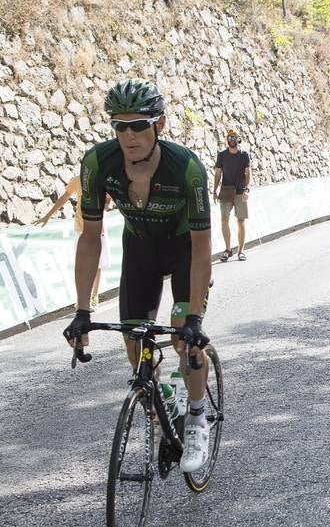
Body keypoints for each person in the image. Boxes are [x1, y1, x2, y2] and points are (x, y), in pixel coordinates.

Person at [63, 78, 215, 474]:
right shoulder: (98, 163)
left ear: (159, 125)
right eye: (119, 126)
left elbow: (201, 248)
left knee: (185, 338)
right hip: (141, 251)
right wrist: (83, 310)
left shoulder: (187, 168)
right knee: (135, 345)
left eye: (139, 125)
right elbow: (90, 239)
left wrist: (194, 319)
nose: (128, 135)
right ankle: (164, 397)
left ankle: (197, 418)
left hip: (184, 250)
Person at [38, 175, 109, 310]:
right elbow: (65, 197)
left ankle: (94, 296)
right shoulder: (77, 180)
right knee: (82, 265)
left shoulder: (103, 180)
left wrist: (102, 206)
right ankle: (83, 299)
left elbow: (109, 201)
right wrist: (48, 215)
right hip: (80, 229)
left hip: (98, 229)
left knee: (97, 264)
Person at [214, 128, 251, 262]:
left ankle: (241, 251)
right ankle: (228, 250)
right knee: (224, 219)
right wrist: (214, 190)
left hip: (240, 192)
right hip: (225, 191)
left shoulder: (244, 155)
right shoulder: (222, 155)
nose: (231, 140)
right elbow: (218, 173)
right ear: (227, 140)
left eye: (234, 137)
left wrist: (247, 189)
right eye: (229, 138)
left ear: (238, 139)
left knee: (240, 221)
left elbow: (248, 173)